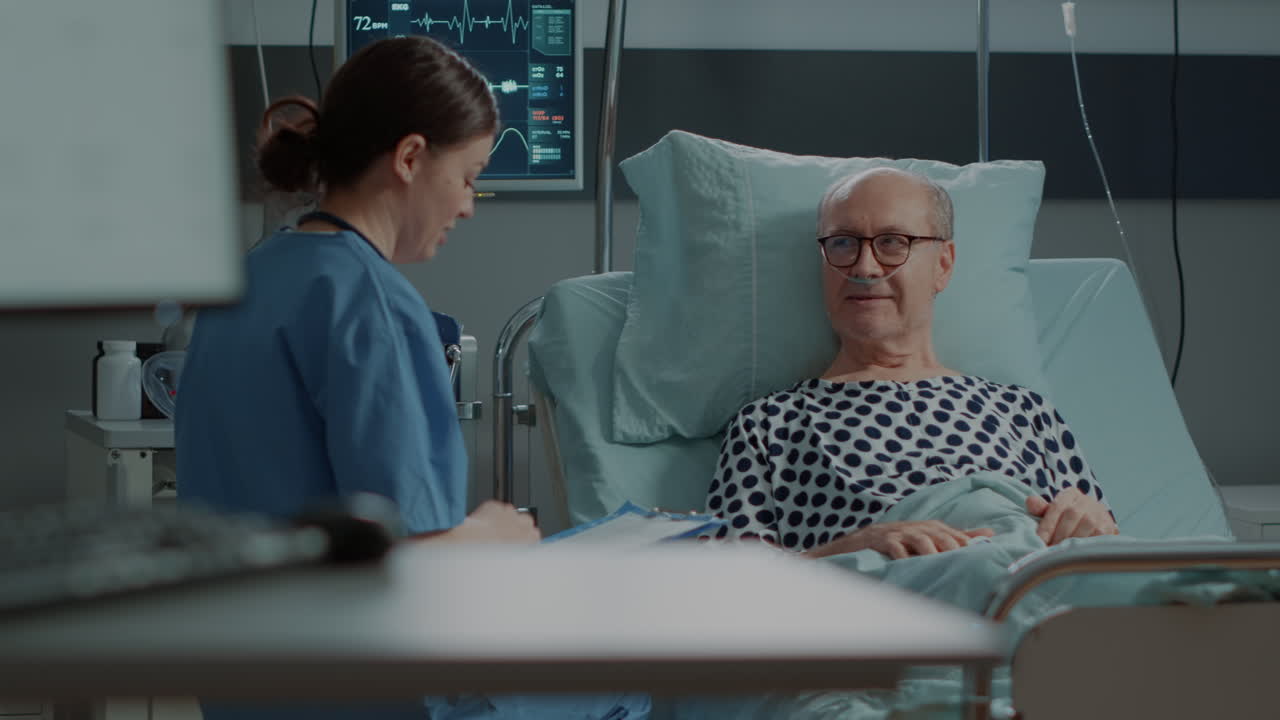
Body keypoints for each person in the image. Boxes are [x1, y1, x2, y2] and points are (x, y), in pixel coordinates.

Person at [176, 36, 647, 720]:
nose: (468, 206)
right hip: (360, 693)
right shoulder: (373, 304)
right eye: (468, 176)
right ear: (410, 158)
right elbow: (413, 571)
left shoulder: (245, 280)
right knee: (630, 683)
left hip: (244, 693)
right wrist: (497, 533)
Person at [704, 167, 1119, 559]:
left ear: (943, 265)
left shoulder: (1025, 413)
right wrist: (856, 547)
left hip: (1036, 586)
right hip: (899, 606)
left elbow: (1112, 557)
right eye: (843, 243)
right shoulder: (769, 425)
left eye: (892, 242)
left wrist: (1095, 524)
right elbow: (730, 588)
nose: (864, 268)